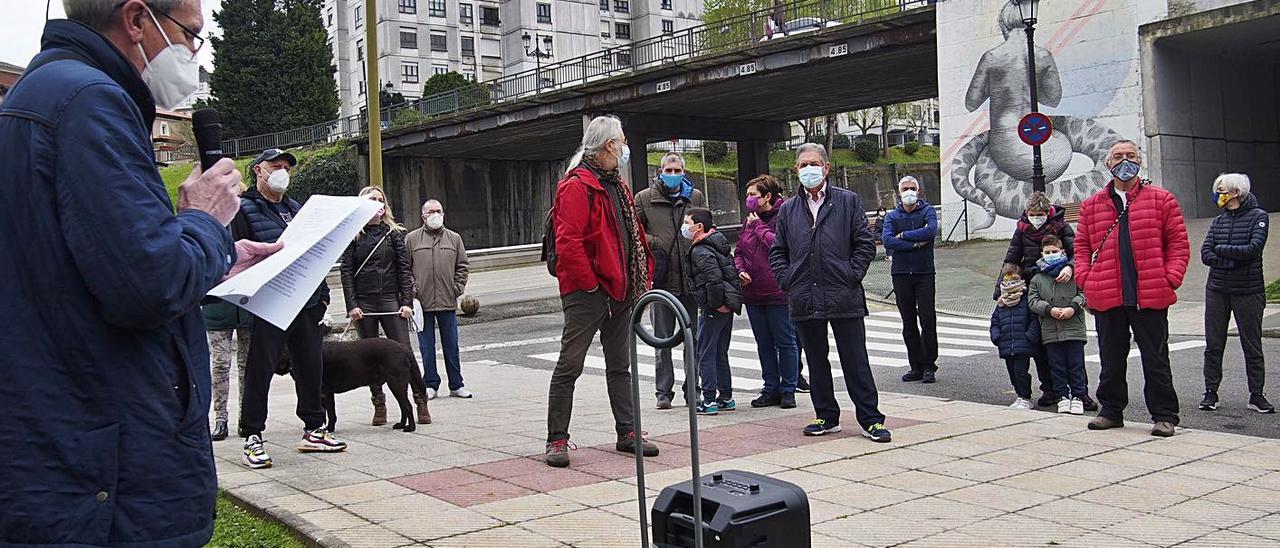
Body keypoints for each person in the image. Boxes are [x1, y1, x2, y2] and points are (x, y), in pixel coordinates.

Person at [0, 0, 280, 543]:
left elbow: (92, 266)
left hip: (64, 453)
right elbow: (148, 287)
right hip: (107, 476)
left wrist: (218, 257)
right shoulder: (91, 103)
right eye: (190, 35)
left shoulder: (44, 95)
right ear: (136, 20)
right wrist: (203, 219)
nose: (193, 54)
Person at [545, 115, 659, 467]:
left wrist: (642, 274)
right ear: (610, 145)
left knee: (620, 366)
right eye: (622, 141)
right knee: (570, 365)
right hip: (588, 293)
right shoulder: (577, 185)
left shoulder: (618, 185)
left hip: (622, 289)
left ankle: (628, 432)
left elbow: (632, 234)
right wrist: (592, 286)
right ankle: (557, 439)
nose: (625, 147)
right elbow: (569, 243)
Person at [232, 148, 347, 467]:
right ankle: (252, 435)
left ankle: (314, 428)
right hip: (270, 303)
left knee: (311, 366)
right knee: (260, 369)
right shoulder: (244, 210)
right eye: (276, 166)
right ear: (258, 170)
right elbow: (237, 261)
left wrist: (322, 294)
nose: (282, 171)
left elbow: (315, 255)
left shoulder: (296, 209)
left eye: (286, 167)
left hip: (306, 302)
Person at [769, 143, 891, 442]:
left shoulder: (847, 201)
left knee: (855, 359)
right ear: (795, 170)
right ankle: (826, 415)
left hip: (843, 293)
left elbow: (864, 243)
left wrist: (851, 274)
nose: (808, 170)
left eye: (813, 164)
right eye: (802, 165)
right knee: (815, 358)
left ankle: (870, 419)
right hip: (804, 295)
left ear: (826, 167)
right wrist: (787, 279)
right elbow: (778, 251)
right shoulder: (788, 210)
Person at [1075, 140, 1190, 437]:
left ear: (1140, 161)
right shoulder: (1092, 205)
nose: (1125, 161)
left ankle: (1164, 415)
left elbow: (1178, 244)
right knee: (1110, 358)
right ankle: (1111, 410)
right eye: (1118, 156)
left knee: (1156, 358)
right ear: (1108, 164)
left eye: (1131, 156)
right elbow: (1081, 247)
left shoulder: (1162, 200)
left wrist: (1170, 277)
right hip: (1107, 294)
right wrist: (1085, 280)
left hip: (1149, 295)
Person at [1001, 191, 1089, 410]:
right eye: (1032, 213)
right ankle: (1051, 389)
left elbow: (1077, 251)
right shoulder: (1022, 229)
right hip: (1034, 285)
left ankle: (1079, 393)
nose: (1036, 217)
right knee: (1041, 343)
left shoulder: (1060, 226)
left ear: (1047, 212)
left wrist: (1071, 266)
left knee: (1069, 351)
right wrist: (999, 292)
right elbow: (1011, 258)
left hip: (1061, 282)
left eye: (1040, 214)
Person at [341, 186, 421, 425]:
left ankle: (418, 400)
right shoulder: (353, 234)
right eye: (372, 200)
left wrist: (406, 302)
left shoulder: (394, 233)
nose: (377, 204)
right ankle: (379, 403)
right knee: (367, 356)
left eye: (380, 200)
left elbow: (404, 270)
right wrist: (352, 305)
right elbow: (346, 272)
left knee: (403, 350)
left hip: (389, 298)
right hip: (364, 301)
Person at [635, 152, 704, 409]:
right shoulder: (644, 198)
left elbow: (704, 228)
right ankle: (663, 392)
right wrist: (656, 244)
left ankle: (693, 389)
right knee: (662, 339)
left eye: (677, 170)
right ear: (660, 172)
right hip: (662, 282)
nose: (673, 175)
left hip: (689, 280)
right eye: (668, 170)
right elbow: (635, 233)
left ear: (684, 172)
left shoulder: (694, 197)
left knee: (692, 339)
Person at [1200, 173, 1273, 413]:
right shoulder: (1218, 222)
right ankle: (1210, 392)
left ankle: (1256, 395)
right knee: (1213, 344)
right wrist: (1229, 259)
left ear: (1236, 192)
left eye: (1221, 190)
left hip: (1248, 290)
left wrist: (1222, 252)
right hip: (1217, 289)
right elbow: (1206, 254)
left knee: (1251, 345)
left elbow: (1252, 250)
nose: (1217, 194)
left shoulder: (1259, 217)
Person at [736, 175, 800, 409]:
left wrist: (758, 227)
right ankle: (770, 387)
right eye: (748, 195)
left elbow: (778, 244)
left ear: (767, 197)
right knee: (763, 343)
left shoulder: (784, 216)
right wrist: (739, 270)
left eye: (754, 195)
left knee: (785, 342)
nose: (749, 199)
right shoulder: (749, 221)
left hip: (778, 291)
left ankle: (789, 388)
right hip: (753, 292)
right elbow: (739, 251)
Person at [408, 199, 472, 400]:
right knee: (426, 347)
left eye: (439, 211)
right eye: (431, 212)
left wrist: (456, 288)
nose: (435, 215)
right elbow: (404, 268)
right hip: (422, 302)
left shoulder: (454, 238)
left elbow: (462, 266)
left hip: (447, 300)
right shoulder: (411, 240)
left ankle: (456, 384)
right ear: (423, 216)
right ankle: (430, 384)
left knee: (451, 345)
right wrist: (413, 291)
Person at [882, 176, 939, 384]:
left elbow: (931, 231)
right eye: (905, 188)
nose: (908, 192)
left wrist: (903, 235)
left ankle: (928, 365)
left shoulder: (927, 211)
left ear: (918, 191)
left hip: (924, 272)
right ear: (899, 192)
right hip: (901, 273)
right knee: (908, 322)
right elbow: (887, 240)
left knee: (927, 319)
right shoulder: (892, 215)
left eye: (912, 188)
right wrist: (915, 244)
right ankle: (915, 365)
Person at [685, 208, 743, 415]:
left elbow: (713, 279)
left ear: (699, 227)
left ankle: (709, 399)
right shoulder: (718, 244)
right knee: (719, 351)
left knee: (706, 352)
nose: (686, 227)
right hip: (727, 304)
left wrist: (715, 303)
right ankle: (726, 396)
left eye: (687, 222)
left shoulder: (701, 250)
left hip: (714, 306)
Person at [1028, 236, 1089, 416]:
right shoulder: (1038, 278)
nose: (1051, 255)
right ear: (1042, 254)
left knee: (1076, 365)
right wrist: (1049, 309)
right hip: (1051, 330)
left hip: (1073, 328)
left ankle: (1078, 396)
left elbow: (1083, 293)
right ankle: (1062, 396)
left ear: (1062, 252)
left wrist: (1073, 307)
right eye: (1047, 252)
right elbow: (1033, 300)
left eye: (1054, 251)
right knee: (1057, 366)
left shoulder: (1073, 274)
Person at [990, 264, 1041, 410]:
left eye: (1015, 280)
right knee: (1012, 372)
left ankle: (1025, 396)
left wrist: (1030, 336)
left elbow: (1033, 320)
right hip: (1006, 343)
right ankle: (1019, 395)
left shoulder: (1025, 300)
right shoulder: (1002, 303)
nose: (1011, 284)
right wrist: (997, 337)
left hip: (1022, 343)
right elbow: (995, 322)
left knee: (1021, 372)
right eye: (1008, 280)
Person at [203, 301, 251, 441]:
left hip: (248, 307)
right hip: (216, 306)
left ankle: (245, 417)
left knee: (247, 366)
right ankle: (220, 418)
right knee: (220, 365)